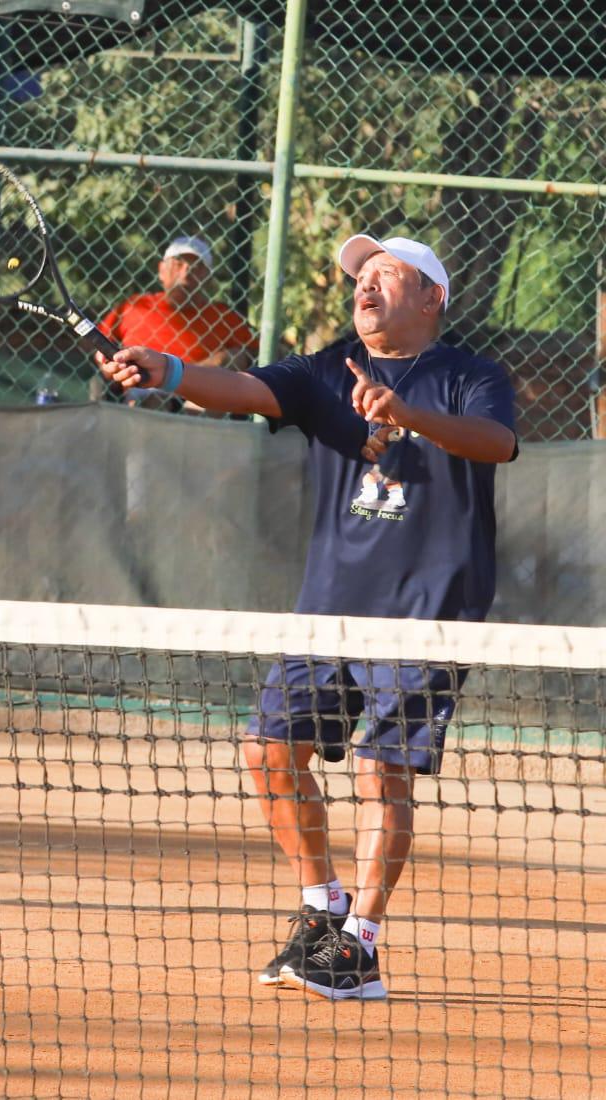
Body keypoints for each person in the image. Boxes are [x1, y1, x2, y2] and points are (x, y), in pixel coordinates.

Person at [96, 234, 518, 1000]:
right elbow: (245, 389)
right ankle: (323, 911)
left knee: (379, 771)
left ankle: (362, 946)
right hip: (327, 607)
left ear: (432, 297)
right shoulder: (324, 368)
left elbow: (498, 443)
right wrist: (171, 371)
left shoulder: (470, 375)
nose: (365, 285)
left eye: (387, 274)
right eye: (361, 275)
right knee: (267, 751)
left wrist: (409, 414)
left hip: (427, 611)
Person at [100, 235, 255, 411]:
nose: (187, 271)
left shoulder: (224, 316)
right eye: (178, 264)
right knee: (151, 400)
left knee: (235, 356)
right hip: (141, 387)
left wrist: (224, 360)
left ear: (209, 278)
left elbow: (252, 354)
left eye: (197, 267)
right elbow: (101, 342)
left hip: (197, 393)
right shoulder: (135, 305)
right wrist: (107, 362)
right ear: (161, 270)